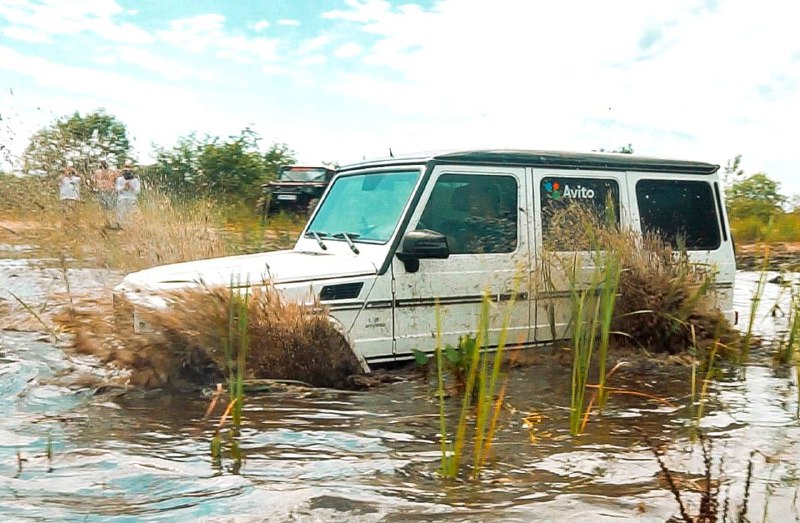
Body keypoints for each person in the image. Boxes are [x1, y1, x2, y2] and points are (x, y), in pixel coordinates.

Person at [114, 159, 141, 226]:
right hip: (122, 198)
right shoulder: (120, 179)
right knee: (121, 212)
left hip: (132, 198)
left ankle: (130, 226)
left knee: (131, 213)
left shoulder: (135, 180)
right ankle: (120, 225)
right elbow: (117, 189)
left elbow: (138, 190)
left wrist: (131, 187)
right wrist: (124, 187)